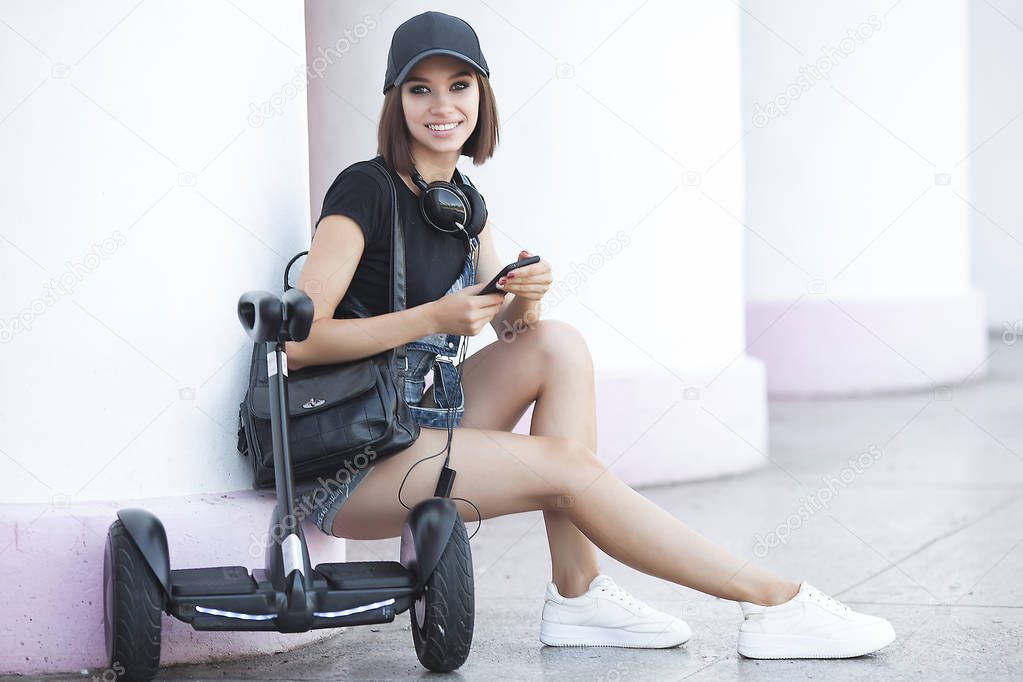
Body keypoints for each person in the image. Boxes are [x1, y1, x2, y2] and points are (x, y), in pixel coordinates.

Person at [287, 11, 896, 660]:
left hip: (416, 421)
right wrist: (430, 320)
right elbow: (298, 341)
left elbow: (515, 332)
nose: (442, 105)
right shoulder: (365, 190)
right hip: (352, 460)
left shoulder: (462, 204)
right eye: (420, 89)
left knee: (558, 344)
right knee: (565, 467)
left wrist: (524, 297)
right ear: (395, 100)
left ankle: (577, 594)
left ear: (481, 96)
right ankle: (771, 600)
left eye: (459, 86)